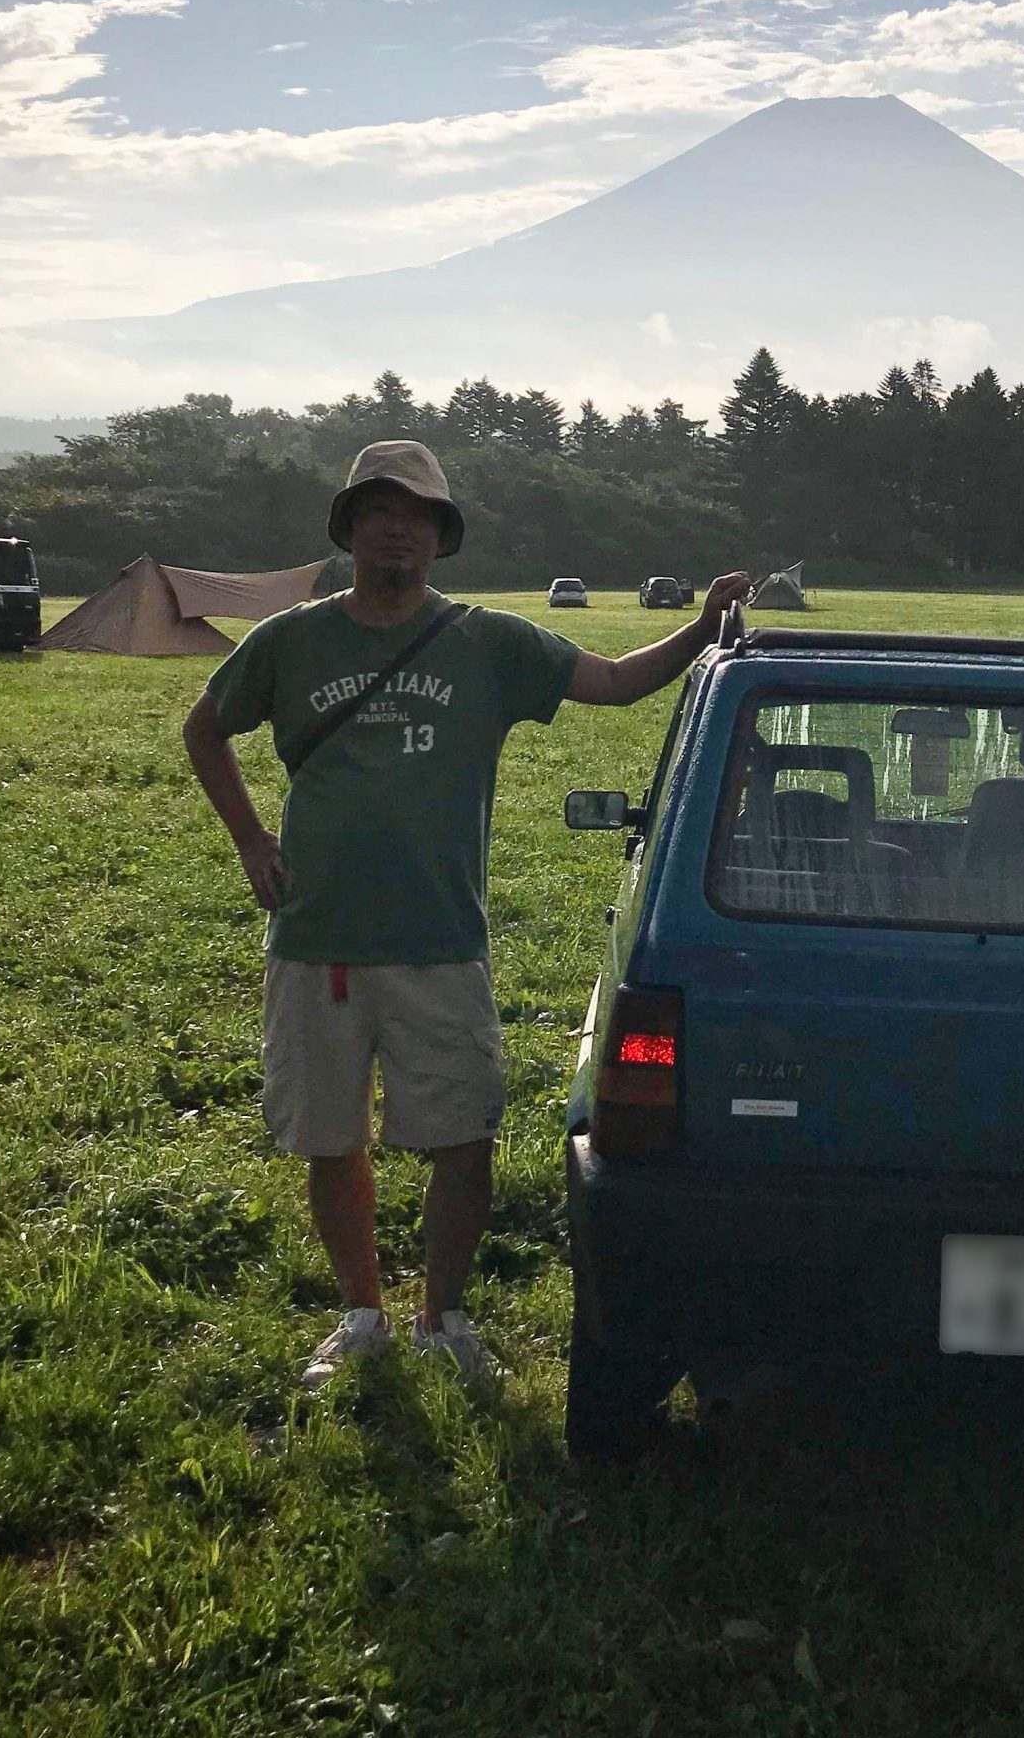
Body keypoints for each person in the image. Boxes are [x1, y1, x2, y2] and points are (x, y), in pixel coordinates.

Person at [181, 437, 748, 1392]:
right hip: (318, 938)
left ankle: (442, 1318)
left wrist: (700, 630)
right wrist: (249, 838)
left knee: (464, 1136)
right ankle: (362, 1316)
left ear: (441, 538)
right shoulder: (291, 640)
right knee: (331, 1138)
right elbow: (204, 728)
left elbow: (612, 681)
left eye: (418, 517)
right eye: (378, 511)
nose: (397, 530)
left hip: (441, 939)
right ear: (350, 529)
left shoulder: (488, 642)